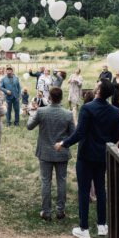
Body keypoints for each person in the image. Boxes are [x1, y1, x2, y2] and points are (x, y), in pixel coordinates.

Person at [55, 79, 119, 238]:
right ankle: (102, 225)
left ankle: (84, 229)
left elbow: (79, 133)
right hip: (103, 155)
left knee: (84, 191)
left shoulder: (87, 108)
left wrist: (63, 143)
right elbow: (116, 136)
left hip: (86, 156)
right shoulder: (115, 111)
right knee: (100, 189)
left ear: (98, 90)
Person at [27, 87, 75, 221]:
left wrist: (32, 112)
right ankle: (60, 211)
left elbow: (29, 126)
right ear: (61, 98)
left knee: (45, 181)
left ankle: (46, 212)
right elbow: (73, 134)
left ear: (49, 98)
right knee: (62, 181)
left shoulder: (41, 112)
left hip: (45, 152)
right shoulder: (68, 114)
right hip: (61, 152)